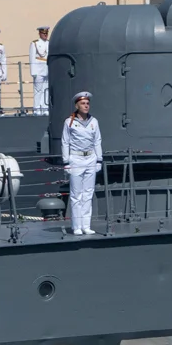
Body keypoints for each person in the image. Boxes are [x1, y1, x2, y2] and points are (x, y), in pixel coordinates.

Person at [61, 91, 102, 236]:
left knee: (88, 194)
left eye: (87, 103)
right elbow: (65, 142)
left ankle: (86, 225)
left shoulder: (94, 122)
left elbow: (97, 141)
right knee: (76, 195)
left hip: (90, 158)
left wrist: (99, 159)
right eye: (83, 103)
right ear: (77, 106)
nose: (86, 106)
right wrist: (66, 162)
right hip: (76, 159)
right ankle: (76, 226)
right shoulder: (69, 122)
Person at [30, 25, 51, 115]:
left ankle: (45, 108)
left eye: (46, 33)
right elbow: (32, 57)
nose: (45, 35)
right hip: (38, 69)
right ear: (40, 34)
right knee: (38, 90)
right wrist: (33, 72)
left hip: (47, 69)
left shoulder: (49, 43)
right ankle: (37, 108)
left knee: (46, 89)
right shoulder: (35, 43)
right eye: (43, 33)